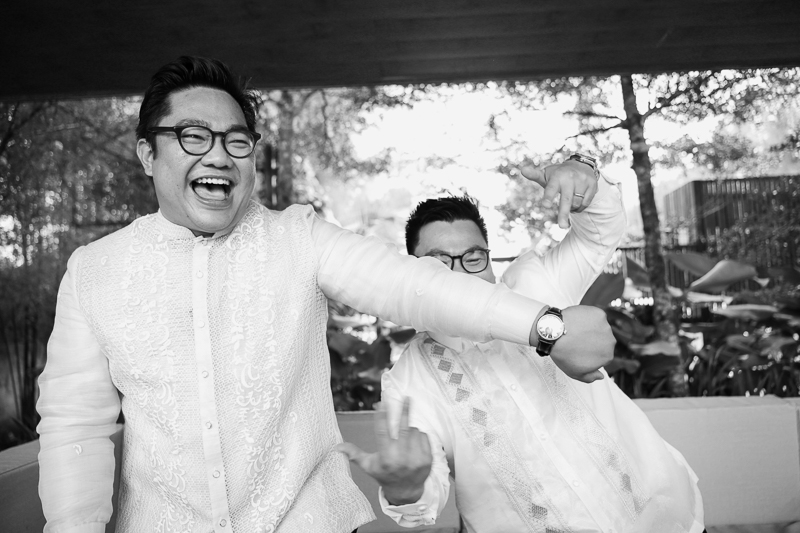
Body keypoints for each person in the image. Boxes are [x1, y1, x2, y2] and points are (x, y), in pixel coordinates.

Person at [35, 56, 616, 533]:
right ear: (147, 153)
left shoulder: (300, 237)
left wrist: (546, 327)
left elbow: (412, 286)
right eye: (193, 136)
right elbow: (74, 427)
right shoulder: (93, 271)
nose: (218, 155)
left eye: (237, 141)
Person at [338, 164, 705, 532]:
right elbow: (424, 492)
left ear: (488, 259)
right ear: (413, 276)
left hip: (665, 519)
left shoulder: (537, 284)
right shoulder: (410, 379)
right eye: (438, 264)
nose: (458, 276)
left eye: (473, 258)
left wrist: (585, 179)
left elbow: (600, 232)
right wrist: (406, 489)